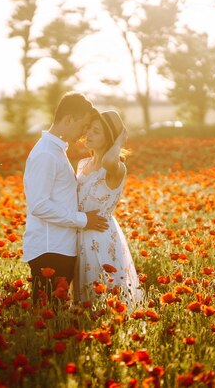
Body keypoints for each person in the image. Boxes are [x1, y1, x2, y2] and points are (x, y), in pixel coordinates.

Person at [23, 92, 108, 307]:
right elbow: (39, 205)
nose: (84, 132)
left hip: (60, 247)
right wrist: (83, 220)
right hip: (50, 250)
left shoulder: (56, 151)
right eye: (84, 125)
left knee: (56, 315)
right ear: (69, 119)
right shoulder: (46, 154)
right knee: (48, 317)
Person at [74, 110, 143, 304]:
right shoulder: (82, 164)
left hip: (100, 236)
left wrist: (120, 140)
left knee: (104, 297)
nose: (88, 134)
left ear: (109, 139)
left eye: (96, 131)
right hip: (78, 233)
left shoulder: (116, 167)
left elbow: (109, 159)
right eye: (89, 129)